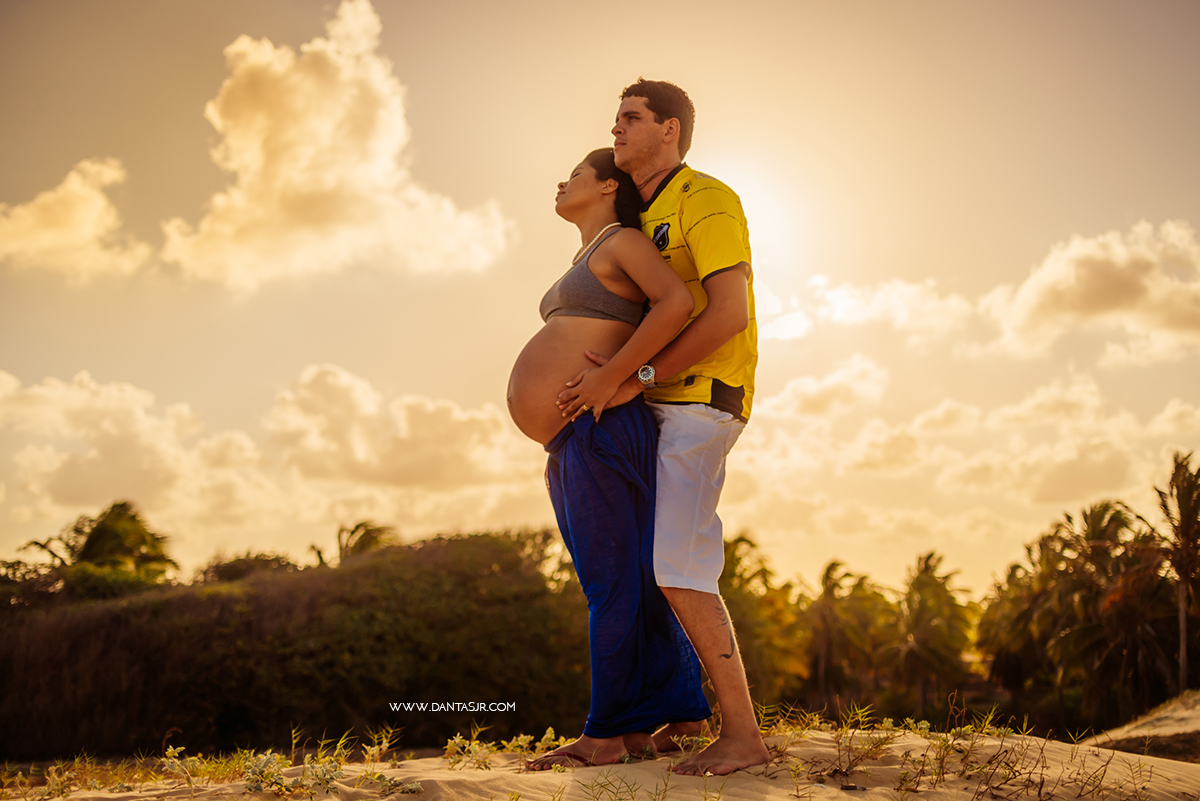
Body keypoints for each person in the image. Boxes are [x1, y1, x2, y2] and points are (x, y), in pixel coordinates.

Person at [557, 79, 769, 775]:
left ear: (670, 129)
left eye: (631, 118)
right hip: (650, 412)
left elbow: (726, 312)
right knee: (643, 568)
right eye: (616, 118)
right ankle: (673, 714)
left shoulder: (706, 197)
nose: (615, 128)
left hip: (700, 404)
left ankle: (743, 733)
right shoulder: (638, 215)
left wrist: (630, 376)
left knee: (679, 568)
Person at [506, 147, 709, 769]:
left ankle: (604, 737)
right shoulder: (592, 252)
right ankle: (674, 716)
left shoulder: (622, 241)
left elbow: (676, 302)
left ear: (605, 188)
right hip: (574, 437)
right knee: (623, 578)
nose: (561, 182)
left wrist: (621, 376)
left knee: (610, 583)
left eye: (573, 175)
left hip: (601, 425)